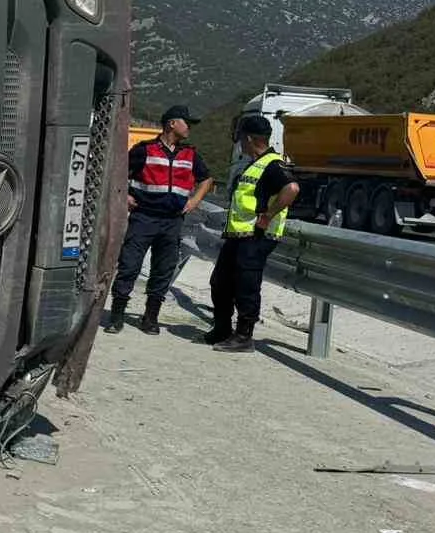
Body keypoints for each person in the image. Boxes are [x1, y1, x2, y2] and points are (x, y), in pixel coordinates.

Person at [103, 105, 215, 335]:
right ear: (172, 123)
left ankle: (150, 318)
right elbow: (117, 173)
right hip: (144, 218)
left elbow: (207, 179)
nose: (190, 127)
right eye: (187, 122)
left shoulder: (190, 154)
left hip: (173, 222)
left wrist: (194, 201)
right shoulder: (144, 150)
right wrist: (125, 196)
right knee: (129, 266)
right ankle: (116, 315)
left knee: (163, 270)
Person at [207, 114, 300, 352]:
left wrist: (268, 215)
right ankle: (222, 329)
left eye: (240, 138)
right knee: (220, 282)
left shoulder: (273, 163)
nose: (239, 143)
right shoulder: (253, 163)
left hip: (257, 236)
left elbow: (291, 188)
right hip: (238, 234)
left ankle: (244, 336)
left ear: (248, 138)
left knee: (246, 285)